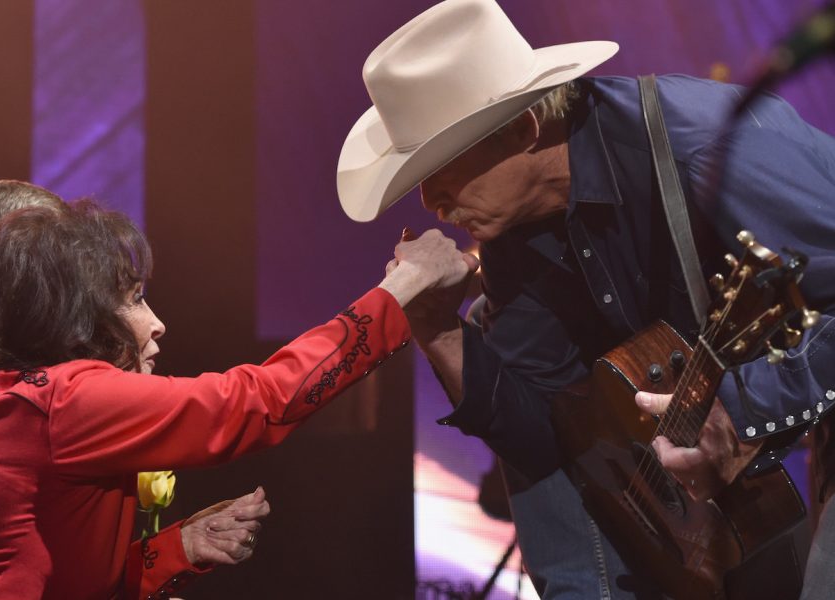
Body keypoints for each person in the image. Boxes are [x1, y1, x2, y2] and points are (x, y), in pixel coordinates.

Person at [336, 0, 835, 598]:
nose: (428, 201)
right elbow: (547, 435)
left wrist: (741, 409)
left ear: (523, 130)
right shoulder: (515, 232)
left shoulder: (706, 149)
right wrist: (439, 331)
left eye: (440, 165)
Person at [0, 195, 476, 599]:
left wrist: (182, 547)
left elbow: (56, 578)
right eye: (131, 299)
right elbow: (258, 401)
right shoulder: (65, 400)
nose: (157, 324)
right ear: (73, 316)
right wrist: (403, 286)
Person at [0, 179, 270, 598]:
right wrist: (374, 312)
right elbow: (246, 400)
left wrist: (179, 548)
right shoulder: (38, 402)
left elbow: (47, 572)